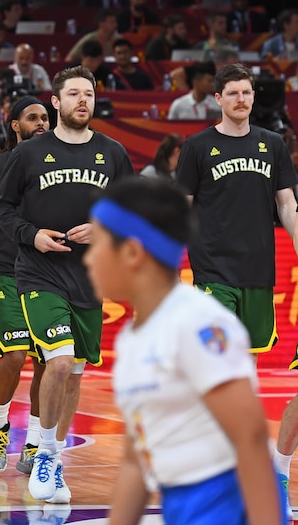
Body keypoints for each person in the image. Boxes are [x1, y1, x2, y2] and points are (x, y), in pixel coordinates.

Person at [84, 176, 290, 525]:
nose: (88, 260)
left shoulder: (199, 324)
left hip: (229, 506)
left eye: (97, 244)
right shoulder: (133, 338)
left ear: (133, 252)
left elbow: (251, 440)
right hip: (179, 503)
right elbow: (137, 459)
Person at [0, 66, 134, 502]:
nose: (82, 101)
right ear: (56, 102)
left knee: (73, 372)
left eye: (88, 94)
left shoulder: (113, 153)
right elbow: (0, 206)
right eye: (73, 94)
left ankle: (52, 453)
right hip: (38, 273)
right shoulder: (29, 154)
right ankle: (46, 454)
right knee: (57, 359)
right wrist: (31, 235)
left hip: (90, 278)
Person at [175, 63, 298, 360]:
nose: (240, 99)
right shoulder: (197, 146)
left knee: (248, 358)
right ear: (218, 98)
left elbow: (287, 204)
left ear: (254, 96)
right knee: (218, 356)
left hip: (258, 268)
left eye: (246, 92)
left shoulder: (273, 144)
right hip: (213, 268)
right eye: (232, 93)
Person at [0, 96, 49, 475]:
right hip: (6, 271)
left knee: (46, 361)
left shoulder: (58, 162)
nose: (41, 123)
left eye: (45, 118)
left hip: (50, 272)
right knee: (15, 355)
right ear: (14, 125)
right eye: (33, 118)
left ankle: (34, 441)